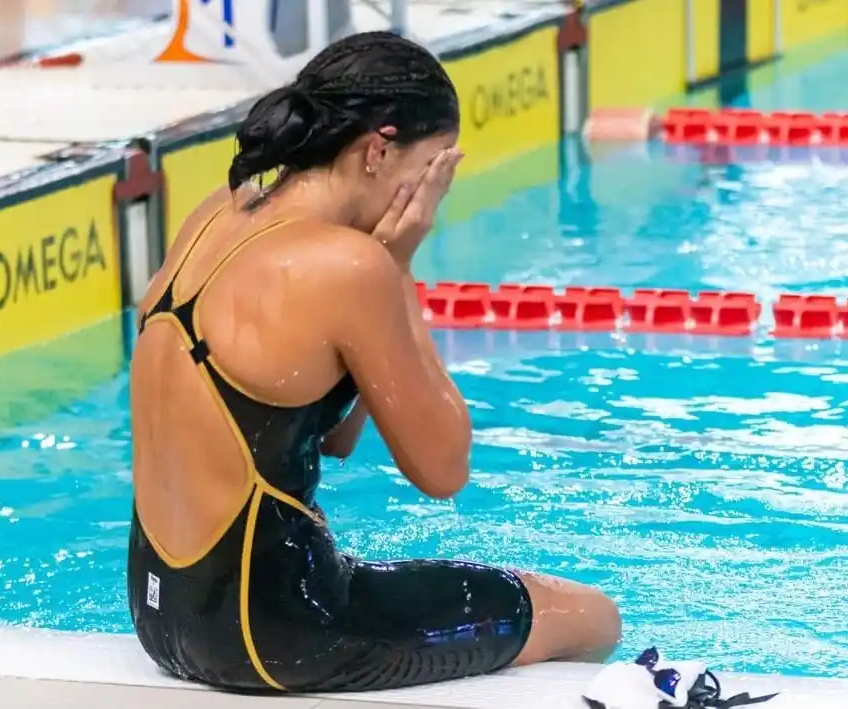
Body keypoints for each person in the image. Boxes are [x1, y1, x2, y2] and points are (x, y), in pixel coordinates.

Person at [127, 31, 621, 694]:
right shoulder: (351, 266)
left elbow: (334, 436)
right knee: (592, 617)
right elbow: (444, 468)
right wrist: (399, 266)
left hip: (162, 616)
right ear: (378, 150)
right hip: (277, 634)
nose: (431, 195)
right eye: (433, 169)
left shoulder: (220, 213)